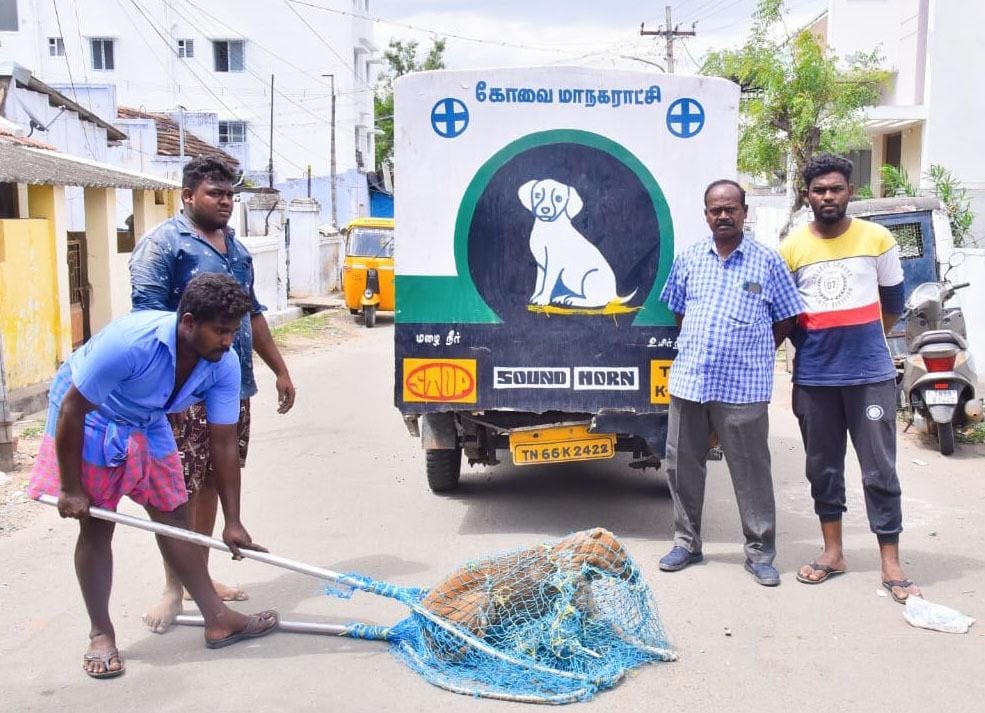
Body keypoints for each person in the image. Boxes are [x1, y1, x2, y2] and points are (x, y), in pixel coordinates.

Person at [27, 274, 280, 679]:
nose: (228, 341)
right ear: (189, 323)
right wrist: (71, 489)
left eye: (234, 332)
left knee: (174, 518)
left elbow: (225, 443)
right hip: (93, 416)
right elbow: (73, 410)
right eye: (221, 331)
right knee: (96, 526)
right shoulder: (130, 343)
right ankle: (100, 634)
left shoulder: (223, 362)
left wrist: (233, 521)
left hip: (148, 418)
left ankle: (218, 619)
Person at [130, 156, 296, 632]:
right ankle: (172, 587)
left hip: (231, 383)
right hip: (180, 392)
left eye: (229, 195)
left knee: (210, 482)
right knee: (174, 487)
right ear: (187, 196)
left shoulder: (238, 251)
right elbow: (147, 321)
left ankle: (197, 575)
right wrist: (165, 391)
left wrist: (280, 370)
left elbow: (254, 315)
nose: (224, 202)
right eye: (214, 193)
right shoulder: (163, 246)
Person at [779, 153, 920, 603]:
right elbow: (786, 316)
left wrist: (865, 343)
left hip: (870, 376)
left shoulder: (877, 239)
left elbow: (893, 303)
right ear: (807, 195)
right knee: (823, 469)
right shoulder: (793, 248)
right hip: (816, 379)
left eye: (835, 189)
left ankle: (891, 563)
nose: (827, 197)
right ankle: (833, 552)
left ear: (850, 192)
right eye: (819, 190)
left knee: (880, 469)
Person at [658, 179, 802, 586]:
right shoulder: (689, 259)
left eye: (730, 209)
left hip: (743, 387)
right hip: (690, 383)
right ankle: (686, 542)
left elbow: (787, 318)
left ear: (744, 212)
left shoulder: (767, 262)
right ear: (706, 215)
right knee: (681, 466)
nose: (723, 215)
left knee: (751, 470)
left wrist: (751, 351)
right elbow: (679, 314)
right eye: (714, 210)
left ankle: (760, 553)